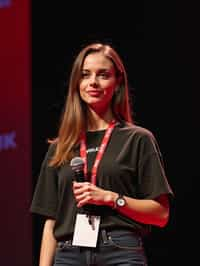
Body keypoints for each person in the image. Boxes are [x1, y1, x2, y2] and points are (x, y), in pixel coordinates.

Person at [30, 42, 174, 266]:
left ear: (118, 82)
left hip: (120, 250)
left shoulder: (138, 139)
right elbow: (51, 221)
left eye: (103, 75)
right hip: (68, 253)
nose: (93, 82)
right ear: (77, 83)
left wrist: (111, 198)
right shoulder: (60, 146)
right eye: (85, 75)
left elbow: (161, 214)